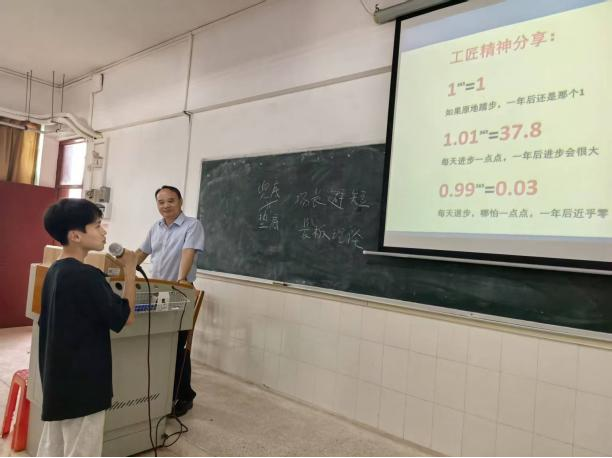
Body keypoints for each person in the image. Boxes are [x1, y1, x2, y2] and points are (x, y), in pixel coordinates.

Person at [37, 199, 139, 457]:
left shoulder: (55, 271)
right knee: (82, 449)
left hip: (58, 381)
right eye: (97, 225)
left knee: (54, 447)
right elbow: (126, 317)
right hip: (84, 386)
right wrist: (129, 270)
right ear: (75, 236)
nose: (104, 231)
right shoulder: (86, 275)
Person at [135, 185, 205, 417]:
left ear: (180, 201)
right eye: (161, 201)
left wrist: (182, 278)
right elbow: (141, 253)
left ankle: (185, 396)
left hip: (179, 292)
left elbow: (188, 252)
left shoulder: (192, 225)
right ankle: (161, 391)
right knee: (157, 342)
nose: (166, 205)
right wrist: (123, 266)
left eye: (171, 200)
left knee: (176, 346)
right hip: (157, 292)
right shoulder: (155, 227)